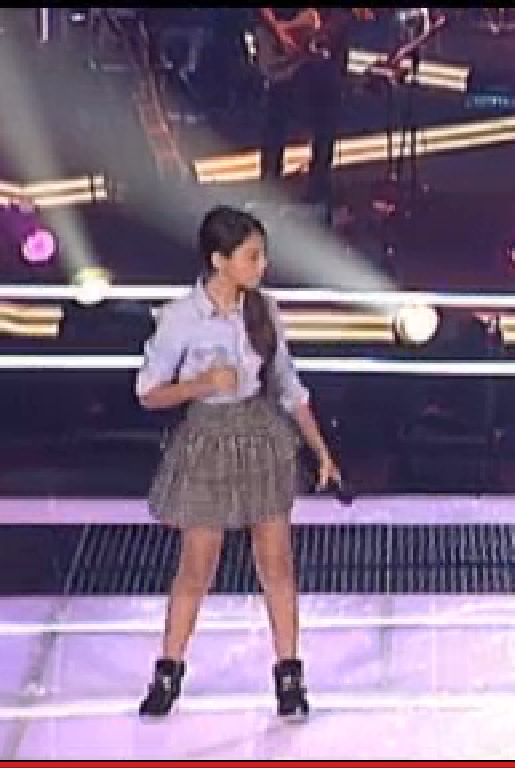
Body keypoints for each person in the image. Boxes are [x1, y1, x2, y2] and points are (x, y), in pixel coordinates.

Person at [133, 205, 342, 718]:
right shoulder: (181, 317)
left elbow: (289, 385)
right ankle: (168, 672)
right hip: (207, 441)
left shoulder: (263, 310)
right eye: (252, 256)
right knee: (197, 565)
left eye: (262, 255)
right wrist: (201, 384)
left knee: (276, 562)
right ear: (219, 260)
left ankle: (289, 675)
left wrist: (321, 450)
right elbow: (148, 392)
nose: (262, 265)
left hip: (259, 437)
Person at [257, 8, 364, 216]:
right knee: (276, 122)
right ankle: (269, 191)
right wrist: (280, 32)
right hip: (286, 48)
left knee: (325, 123)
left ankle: (317, 193)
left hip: (326, 55)